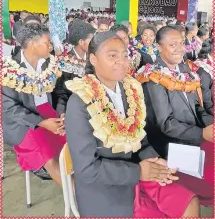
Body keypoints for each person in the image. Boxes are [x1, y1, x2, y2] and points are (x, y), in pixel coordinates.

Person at [65, 31, 199, 217]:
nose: (122, 61)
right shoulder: (80, 102)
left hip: (138, 170)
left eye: (125, 55)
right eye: (112, 56)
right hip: (105, 189)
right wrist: (139, 172)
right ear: (93, 59)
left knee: (190, 203)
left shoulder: (129, 88)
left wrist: (154, 160)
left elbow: (139, 137)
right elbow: (87, 169)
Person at [137, 26, 213, 205]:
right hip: (172, 149)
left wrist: (210, 124)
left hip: (195, 140)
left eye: (181, 43)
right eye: (172, 45)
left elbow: (196, 107)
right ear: (159, 47)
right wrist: (202, 133)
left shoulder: (184, 70)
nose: (179, 48)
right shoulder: (153, 77)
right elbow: (166, 124)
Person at [2, 24, 66, 185]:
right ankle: (77, 199)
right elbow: (10, 109)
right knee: (47, 154)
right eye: (47, 43)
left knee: (73, 142)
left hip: (49, 112)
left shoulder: (49, 64)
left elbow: (60, 93)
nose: (51, 46)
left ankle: (84, 185)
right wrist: (42, 123)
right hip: (24, 123)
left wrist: (61, 113)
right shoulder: (9, 69)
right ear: (32, 44)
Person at [53, 20, 96, 116]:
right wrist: (62, 113)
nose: (94, 43)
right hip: (72, 110)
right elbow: (61, 93)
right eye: (91, 40)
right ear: (81, 42)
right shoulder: (64, 61)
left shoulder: (92, 58)